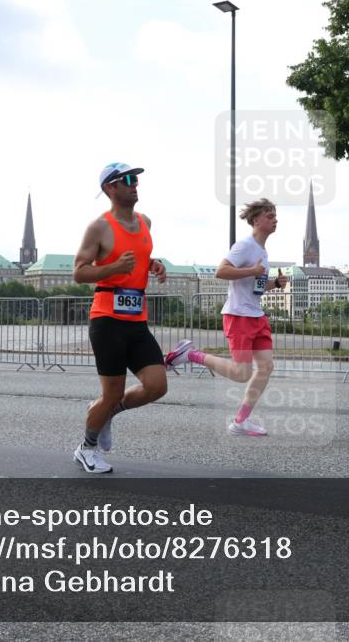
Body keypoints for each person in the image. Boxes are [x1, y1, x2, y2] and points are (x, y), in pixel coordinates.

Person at [72, 162, 169, 474]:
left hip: (137, 320)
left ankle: (107, 412)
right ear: (109, 188)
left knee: (157, 386)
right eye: (127, 179)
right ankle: (86, 448)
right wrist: (113, 268)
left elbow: (139, 255)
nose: (134, 184)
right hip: (107, 320)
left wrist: (153, 264)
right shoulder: (99, 227)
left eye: (135, 179)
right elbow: (79, 272)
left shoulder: (145, 222)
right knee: (111, 392)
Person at [164, 198, 287, 436]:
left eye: (275, 216)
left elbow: (255, 286)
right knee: (241, 374)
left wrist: (275, 283)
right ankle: (190, 355)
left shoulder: (262, 251)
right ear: (256, 220)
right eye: (270, 216)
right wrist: (252, 270)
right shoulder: (244, 246)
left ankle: (240, 422)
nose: (275, 220)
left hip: (256, 315)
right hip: (239, 316)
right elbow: (221, 271)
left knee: (266, 367)